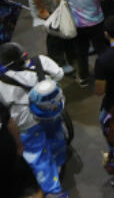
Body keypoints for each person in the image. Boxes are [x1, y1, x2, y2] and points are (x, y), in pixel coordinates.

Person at [0, 42, 66, 195]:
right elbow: (59, 74)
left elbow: (3, 108)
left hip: (26, 122)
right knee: (56, 137)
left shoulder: (1, 82)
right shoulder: (40, 61)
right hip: (51, 111)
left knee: (38, 156)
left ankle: (53, 188)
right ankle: (59, 162)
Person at [52, 0, 108, 88]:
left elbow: (58, 0)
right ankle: (107, 74)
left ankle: (83, 77)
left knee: (81, 52)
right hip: (96, 21)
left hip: (77, 23)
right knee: (101, 49)